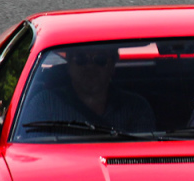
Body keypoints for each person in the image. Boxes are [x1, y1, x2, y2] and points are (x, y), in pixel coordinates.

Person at [18, 44, 155, 134]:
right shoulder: (44, 104)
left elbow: (142, 157)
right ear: (69, 64)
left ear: (112, 66)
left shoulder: (136, 108)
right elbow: (29, 153)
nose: (90, 67)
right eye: (81, 59)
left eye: (100, 60)